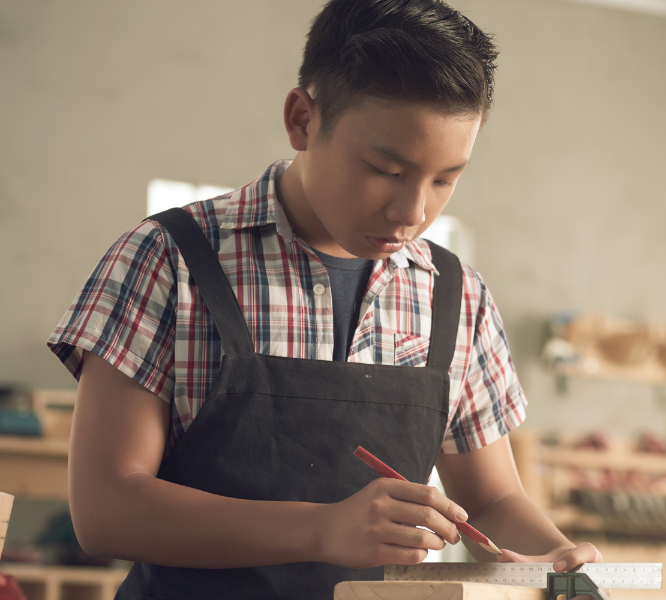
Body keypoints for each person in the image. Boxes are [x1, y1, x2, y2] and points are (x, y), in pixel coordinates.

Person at [46, 1, 600, 598]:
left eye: (445, 179)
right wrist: (319, 528)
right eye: (386, 169)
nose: (413, 213)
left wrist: (557, 559)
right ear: (302, 120)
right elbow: (105, 509)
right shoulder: (167, 260)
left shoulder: (456, 296)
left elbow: (490, 500)